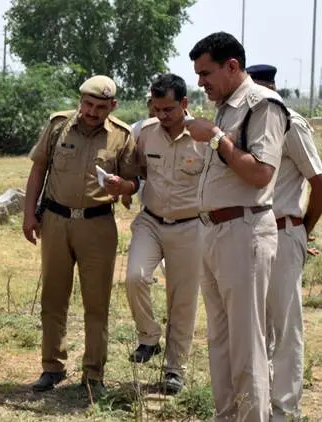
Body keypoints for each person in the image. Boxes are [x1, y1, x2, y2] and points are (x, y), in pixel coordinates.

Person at [186, 32, 289, 421]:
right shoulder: (226, 106)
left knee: (247, 344)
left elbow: (261, 173)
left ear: (232, 66)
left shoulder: (263, 106)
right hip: (214, 232)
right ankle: (227, 415)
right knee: (220, 340)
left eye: (206, 72)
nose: (200, 82)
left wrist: (214, 139)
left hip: (243, 231)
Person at [23, 75, 140, 397]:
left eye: (100, 107)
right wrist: (28, 213)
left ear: (112, 106)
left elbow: (135, 183)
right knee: (53, 298)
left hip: (98, 225)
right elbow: (38, 169)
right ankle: (52, 367)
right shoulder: (59, 127)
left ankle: (93, 375)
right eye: (87, 104)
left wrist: (124, 187)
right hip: (56, 221)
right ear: (80, 101)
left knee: (96, 303)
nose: (92, 112)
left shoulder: (123, 136)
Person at [246, 64, 322, 421]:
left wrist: (303, 228)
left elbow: (318, 181)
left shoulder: (290, 122)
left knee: (285, 324)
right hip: (247, 233)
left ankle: (285, 409)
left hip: (283, 228)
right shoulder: (245, 122)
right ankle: (258, 403)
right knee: (254, 324)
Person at [124, 73, 206, 395]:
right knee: (135, 277)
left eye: (169, 109)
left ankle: (175, 370)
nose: (162, 115)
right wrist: (124, 185)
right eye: (156, 108)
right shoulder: (144, 133)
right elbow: (137, 170)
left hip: (191, 226)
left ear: (184, 104)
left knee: (182, 301)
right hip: (152, 220)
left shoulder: (204, 136)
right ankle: (148, 337)